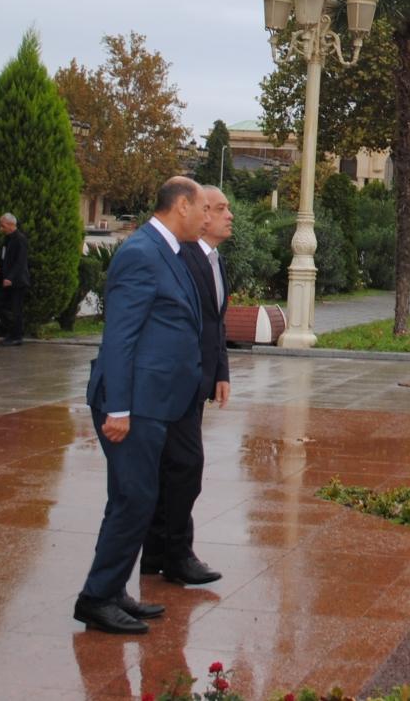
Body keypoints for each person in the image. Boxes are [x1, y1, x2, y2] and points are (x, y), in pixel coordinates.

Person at [74, 176, 207, 634]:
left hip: (159, 401)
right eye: (202, 209)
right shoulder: (141, 254)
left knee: (134, 498)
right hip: (135, 402)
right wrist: (118, 407)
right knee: (134, 498)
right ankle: (96, 597)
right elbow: (120, 337)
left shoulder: (166, 251)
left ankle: (111, 590)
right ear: (182, 206)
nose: (206, 218)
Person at [142, 184, 232, 586]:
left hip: (199, 377)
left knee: (176, 467)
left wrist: (221, 372)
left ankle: (157, 551)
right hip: (178, 378)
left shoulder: (214, 260)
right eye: (221, 208)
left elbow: (214, 322)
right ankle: (175, 553)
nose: (230, 215)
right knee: (184, 468)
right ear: (202, 214)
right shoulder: (184, 257)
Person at [0, 213, 30, 345]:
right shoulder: (7, 239)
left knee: (16, 310)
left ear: (10, 225)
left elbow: (20, 262)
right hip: (5, 279)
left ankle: (16, 337)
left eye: (2, 226)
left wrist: (10, 278)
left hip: (17, 281)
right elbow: (4, 255)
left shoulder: (20, 239)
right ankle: (11, 333)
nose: (0, 229)